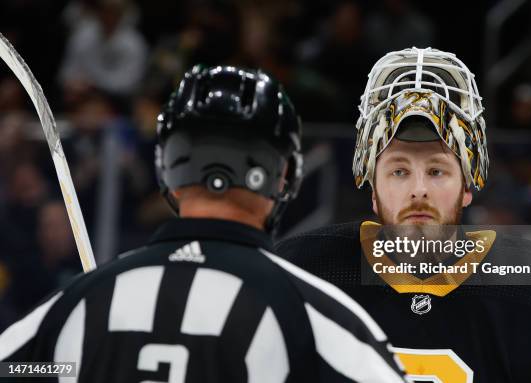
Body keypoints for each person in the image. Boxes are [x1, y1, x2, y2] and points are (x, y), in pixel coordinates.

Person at [0, 65, 405, 382]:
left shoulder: (76, 306)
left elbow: (13, 368)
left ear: (168, 168)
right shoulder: (315, 318)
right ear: (285, 174)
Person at [276, 48, 531, 382]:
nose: (418, 189)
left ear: (468, 187)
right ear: (373, 190)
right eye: (399, 171)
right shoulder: (301, 273)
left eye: (437, 171)